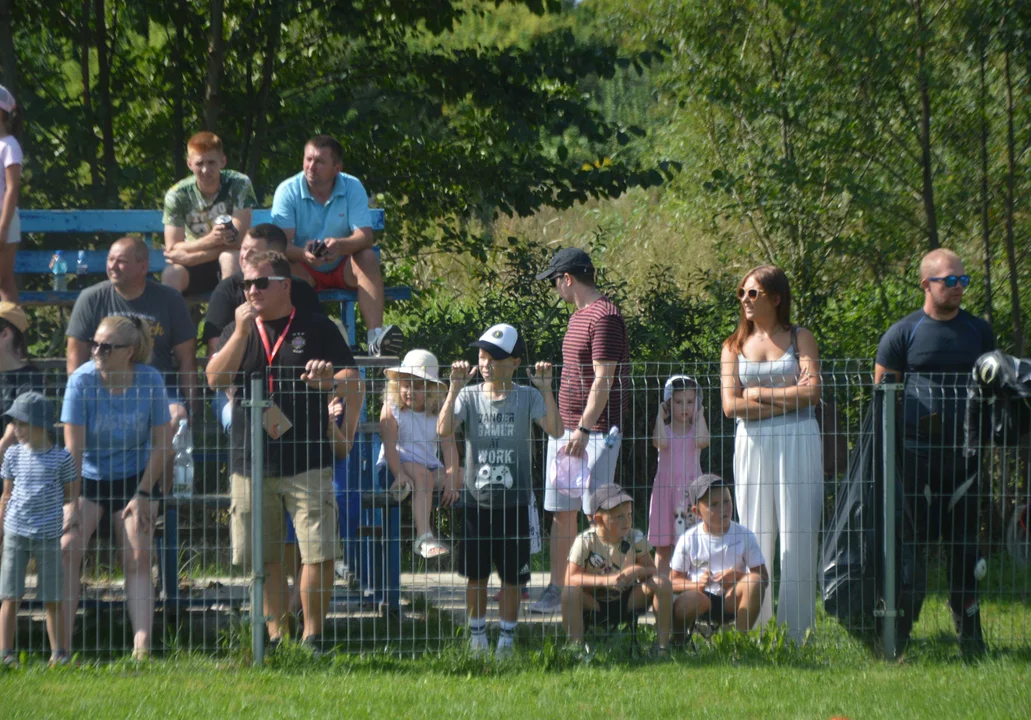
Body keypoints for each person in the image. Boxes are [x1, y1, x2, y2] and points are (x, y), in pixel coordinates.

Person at [206, 250, 364, 651]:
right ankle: (277, 637)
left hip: (307, 460)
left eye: (261, 283)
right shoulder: (235, 330)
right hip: (250, 462)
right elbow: (214, 378)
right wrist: (240, 333)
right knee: (267, 556)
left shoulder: (317, 327)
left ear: (284, 285)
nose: (251, 291)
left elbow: (350, 376)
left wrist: (329, 379)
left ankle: (313, 636)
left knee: (319, 552)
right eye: (246, 284)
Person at [875, 248, 994, 657]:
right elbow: (882, 401)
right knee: (911, 553)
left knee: (964, 549)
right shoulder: (902, 334)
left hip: (965, 459)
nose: (959, 287)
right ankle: (900, 640)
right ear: (926, 283)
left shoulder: (979, 332)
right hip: (915, 461)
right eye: (950, 281)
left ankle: (971, 641)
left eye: (963, 280)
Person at [438, 324, 563, 656]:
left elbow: (556, 429)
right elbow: (443, 429)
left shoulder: (528, 396)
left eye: (495, 357)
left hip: (515, 503)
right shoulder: (468, 395)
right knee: (475, 577)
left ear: (515, 363)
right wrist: (453, 388)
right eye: (482, 356)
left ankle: (506, 639)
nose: (486, 364)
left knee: (513, 579)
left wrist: (547, 389)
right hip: (476, 504)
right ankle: (477, 638)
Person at [719, 265, 822, 644]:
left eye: (753, 294)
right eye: (742, 294)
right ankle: (758, 633)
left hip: (799, 441)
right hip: (752, 445)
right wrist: (785, 399)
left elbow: (812, 394)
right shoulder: (732, 347)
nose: (745, 300)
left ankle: (798, 636)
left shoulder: (801, 338)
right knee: (756, 536)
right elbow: (730, 406)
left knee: (798, 535)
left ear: (776, 298)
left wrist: (759, 394)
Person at [60, 316, 173, 659]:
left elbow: (162, 443)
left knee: (138, 552)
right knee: (67, 547)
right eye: (94, 343)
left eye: (106, 346)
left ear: (130, 352)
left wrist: (142, 494)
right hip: (89, 479)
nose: (96, 351)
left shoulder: (150, 380)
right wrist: (70, 502)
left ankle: (142, 646)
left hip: (137, 477)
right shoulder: (81, 382)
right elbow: (73, 451)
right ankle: (61, 647)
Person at [531, 247, 630, 615]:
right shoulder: (579, 317)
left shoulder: (604, 317)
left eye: (556, 282)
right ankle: (559, 587)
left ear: (568, 279)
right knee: (562, 511)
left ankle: (596, 594)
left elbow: (604, 379)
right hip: (567, 431)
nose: (556, 289)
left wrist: (585, 429)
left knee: (596, 512)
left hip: (595, 433)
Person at [270, 134, 403, 357]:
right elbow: (281, 244)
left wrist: (339, 246)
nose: (311, 167)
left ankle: (375, 341)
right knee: (282, 268)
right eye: (308, 159)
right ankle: (303, 344)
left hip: (344, 266)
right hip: (304, 269)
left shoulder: (352, 186)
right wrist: (305, 253)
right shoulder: (288, 190)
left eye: (320, 161)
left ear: (337, 168)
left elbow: (365, 236)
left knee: (368, 257)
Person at [66, 237, 197, 428]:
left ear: (143, 267)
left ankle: (159, 459)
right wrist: (80, 400)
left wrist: (192, 408)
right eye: (110, 260)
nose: (113, 266)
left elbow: (187, 359)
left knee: (176, 416)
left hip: (158, 390)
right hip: (104, 389)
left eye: (121, 261)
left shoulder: (169, 300)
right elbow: (74, 358)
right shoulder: (91, 299)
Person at [0, 392, 77, 667]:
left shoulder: (61, 459)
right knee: (10, 595)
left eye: (20, 423)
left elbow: (70, 495)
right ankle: (5, 654)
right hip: (15, 532)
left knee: (52, 597)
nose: (15, 430)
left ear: (40, 424)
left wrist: (68, 516)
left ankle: (59, 655)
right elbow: (6, 495)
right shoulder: (12, 455)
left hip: (48, 535)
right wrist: (1, 528)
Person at [562, 483, 672, 653]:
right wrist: (606, 581)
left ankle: (662, 647)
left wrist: (637, 570)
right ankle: (576, 650)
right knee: (569, 592)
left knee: (662, 583)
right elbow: (570, 578)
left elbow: (652, 571)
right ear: (598, 519)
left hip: (628, 600)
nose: (627, 521)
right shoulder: (585, 541)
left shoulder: (634, 537)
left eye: (629, 514)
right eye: (619, 517)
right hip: (595, 603)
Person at [378, 349, 460, 559]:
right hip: (395, 465)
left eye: (419, 386)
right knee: (423, 477)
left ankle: (472, 545)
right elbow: (389, 445)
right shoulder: (392, 407)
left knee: (462, 475)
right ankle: (424, 537)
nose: (410, 392)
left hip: (427, 467)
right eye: (405, 385)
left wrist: (451, 477)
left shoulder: (440, 409)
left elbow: (449, 446)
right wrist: (399, 474)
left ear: (433, 389)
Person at [203, 223, 324, 356]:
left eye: (253, 252)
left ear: (275, 256)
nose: (244, 255)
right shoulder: (227, 290)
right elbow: (216, 352)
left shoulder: (301, 290)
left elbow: (321, 339)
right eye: (243, 248)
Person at [670, 474, 767, 638]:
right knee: (689, 601)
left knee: (754, 581)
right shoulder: (689, 538)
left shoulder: (744, 535)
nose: (723, 509)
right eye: (713, 505)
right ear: (697, 512)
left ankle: (740, 646)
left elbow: (764, 577)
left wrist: (738, 576)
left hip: (731, 597)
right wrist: (696, 585)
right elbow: (673, 581)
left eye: (726, 501)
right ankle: (677, 642)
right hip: (700, 597)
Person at [161, 131, 257, 296]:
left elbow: (237, 241)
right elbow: (172, 249)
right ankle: (171, 321)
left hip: (222, 258)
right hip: (194, 266)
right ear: (190, 164)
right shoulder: (177, 194)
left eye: (211, 162)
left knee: (230, 258)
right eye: (199, 163)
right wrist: (211, 240)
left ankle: (230, 319)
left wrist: (193, 258)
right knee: (171, 274)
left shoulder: (239, 184)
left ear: (223, 161)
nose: (206, 170)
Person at [650, 375, 709, 577]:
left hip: (690, 493)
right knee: (663, 546)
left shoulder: (696, 431)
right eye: (678, 402)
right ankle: (662, 590)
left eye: (690, 402)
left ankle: (689, 590)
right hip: (665, 494)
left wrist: (700, 415)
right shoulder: (664, 431)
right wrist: (659, 415)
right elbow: (660, 443)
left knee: (692, 543)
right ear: (668, 404)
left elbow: (703, 441)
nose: (684, 407)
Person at [0, 303, 45, 470]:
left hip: (17, 468)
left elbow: (20, 417)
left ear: (5, 334)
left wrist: (3, 445)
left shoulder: (30, 378)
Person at [0, 85, 22, 302]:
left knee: (4, 282)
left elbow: (12, 188)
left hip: (3, 217)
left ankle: (14, 334)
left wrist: (3, 228)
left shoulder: (9, 146)